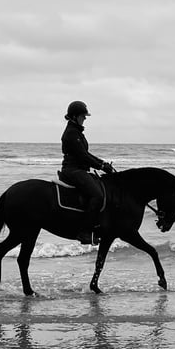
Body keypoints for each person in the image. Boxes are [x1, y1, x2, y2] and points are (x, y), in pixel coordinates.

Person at [60, 100, 113, 244]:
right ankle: (84, 232)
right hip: (73, 170)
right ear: (75, 116)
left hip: (78, 169)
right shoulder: (71, 133)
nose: (85, 118)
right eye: (83, 116)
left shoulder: (77, 132)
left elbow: (86, 154)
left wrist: (103, 163)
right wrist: (101, 166)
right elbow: (83, 156)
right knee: (97, 195)